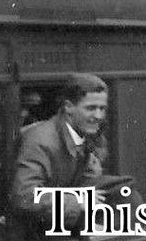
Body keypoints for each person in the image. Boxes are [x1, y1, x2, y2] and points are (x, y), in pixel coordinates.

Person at [12, 73, 117, 228]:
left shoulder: (83, 132)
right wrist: (76, 202)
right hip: (34, 236)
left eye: (102, 108)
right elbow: (24, 196)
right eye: (91, 108)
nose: (98, 115)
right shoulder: (41, 141)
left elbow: (83, 179)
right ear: (68, 107)